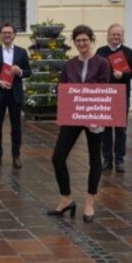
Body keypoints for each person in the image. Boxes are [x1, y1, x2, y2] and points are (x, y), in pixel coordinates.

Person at [48, 25, 110, 223]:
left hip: (93, 115)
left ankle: (90, 201)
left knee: (94, 159)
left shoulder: (102, 63)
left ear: (91, 40)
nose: (82, 44)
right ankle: (66, 198)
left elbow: (104, 89)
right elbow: (62, 87)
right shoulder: (69, 65)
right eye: (78, 41)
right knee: (58, 157)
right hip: (73, 116)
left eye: (85, 40)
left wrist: (94, 110)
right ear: (74, 43)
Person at [0, 23, 31, 168]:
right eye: (4, 33)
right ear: (0, 35)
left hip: (15, 94)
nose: (7, 35)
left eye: (10, 32)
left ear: (14, 34)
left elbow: (29, 72)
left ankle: (16, 156)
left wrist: (20, 72)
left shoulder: (21, 52)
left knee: (16, 126)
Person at [94, 23, 132, 173]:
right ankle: (107, 159)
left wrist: (124, 75)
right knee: (106, 128)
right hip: (105, 95)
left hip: (121, 95)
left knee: (120, 129)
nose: (116, 37)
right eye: (114, 34)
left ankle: (119, 159)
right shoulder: (101, 52)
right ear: (108, 35)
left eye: (119, 35)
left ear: (122, 36)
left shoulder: (128, 52)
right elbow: (94, 70)